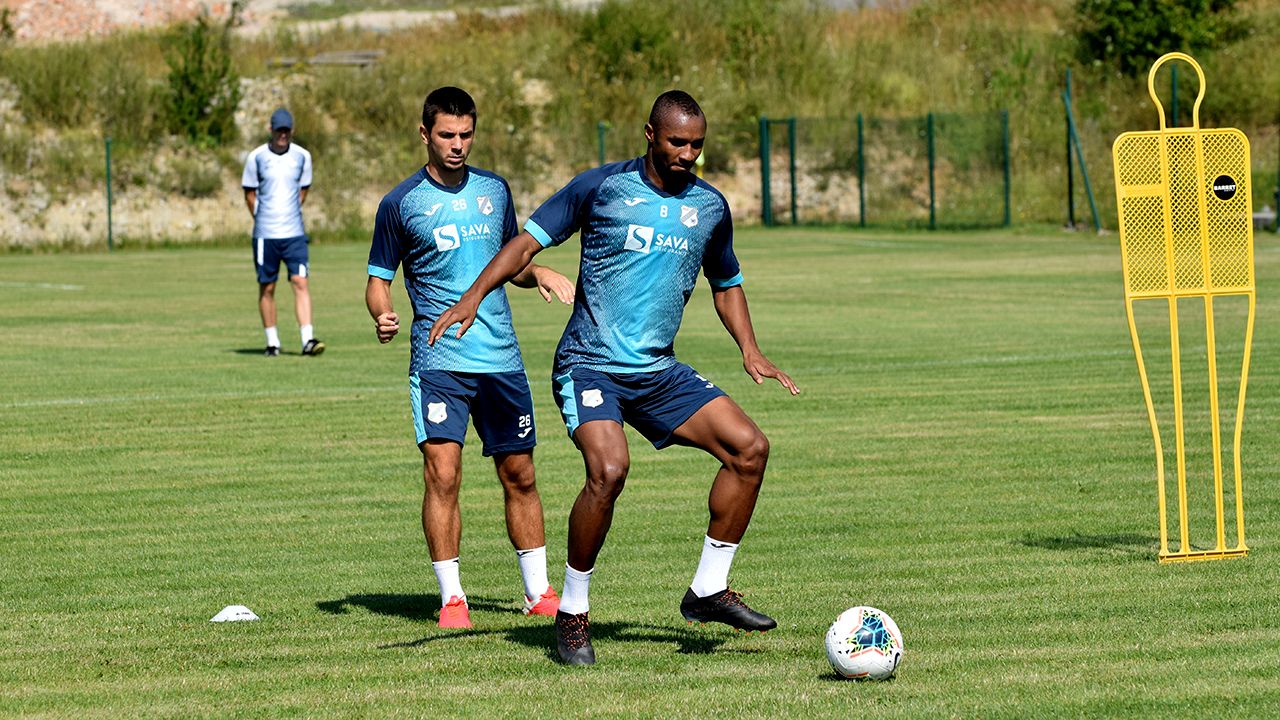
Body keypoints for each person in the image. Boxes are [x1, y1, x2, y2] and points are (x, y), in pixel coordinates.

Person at [430, 90, 799, 664]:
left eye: (697, 145)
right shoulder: (601, 188)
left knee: (750, 449)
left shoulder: (709, 206)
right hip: (589, 364)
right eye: (677, 142)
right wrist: (473, 296)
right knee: (608, 469)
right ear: (650, 135)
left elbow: (726, 283)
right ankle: (572, 614)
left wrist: (750, 350)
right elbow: (524, 245)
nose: (688, 154)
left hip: (657, 370)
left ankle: (708, 589)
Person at [366, 87, 575, 629]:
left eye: (465, 134)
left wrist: (539, 271)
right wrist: (383, 313)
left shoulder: (494, 190)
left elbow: (511, 262)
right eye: (446, 135)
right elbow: (378, 280)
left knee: (520, 473)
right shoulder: (400, 203)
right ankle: (452, 599)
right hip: (439, 361)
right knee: (443, 474)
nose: (457, 144)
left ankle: (538, 592)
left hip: (500, 357)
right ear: (425, 134)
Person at [242, 108, 324, 357]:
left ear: (292, 130)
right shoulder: (256, 157)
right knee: (267, 287)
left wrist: (289, 213)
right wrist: (263, 217)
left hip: (294, 234)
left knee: (300, 282)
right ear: (271, 130)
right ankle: (272, 342)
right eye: (279, 130)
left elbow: (303, 190)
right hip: (265, 235)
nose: (283, 135)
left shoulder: (302, 156)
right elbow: (249, 193)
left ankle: (308, 340)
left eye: (286, 130)